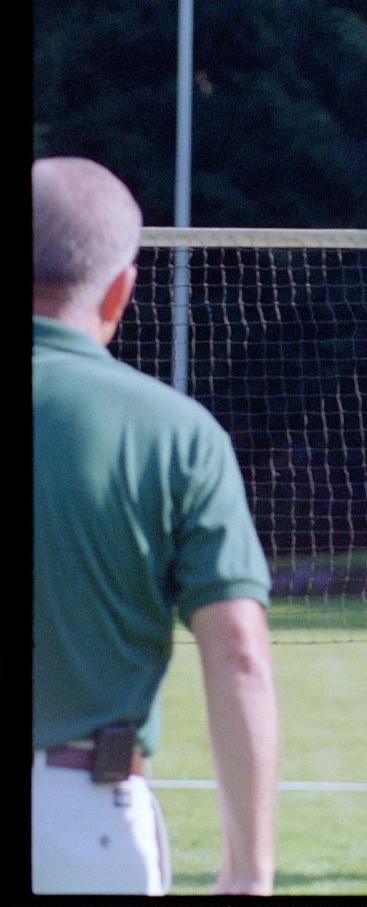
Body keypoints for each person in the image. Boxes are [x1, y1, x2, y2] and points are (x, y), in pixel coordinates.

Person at [32, 157, 280, 895]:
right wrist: (248, 870)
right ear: (120, 290)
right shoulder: (176, 433)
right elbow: (238, 654)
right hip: (83, 824)